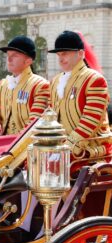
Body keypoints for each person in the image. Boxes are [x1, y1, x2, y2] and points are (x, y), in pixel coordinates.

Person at [48, 30, 110, 160]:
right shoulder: (54, 81)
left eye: (65, 54)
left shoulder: (94, 79)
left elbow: (90, 120)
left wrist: (67, 149)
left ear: (81, 54)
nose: (60, 58)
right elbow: (50, 116)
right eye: (58, 54)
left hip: (89, 152)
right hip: (61, 150)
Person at [0, 36, 50, 136]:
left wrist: (13, 148)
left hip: (26, 148)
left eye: (15, 55)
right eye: (8, 55)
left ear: (28, 61)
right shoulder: (1, 85)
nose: (8, 59)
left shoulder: (40, 85)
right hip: (4, 147)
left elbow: (34, 125)